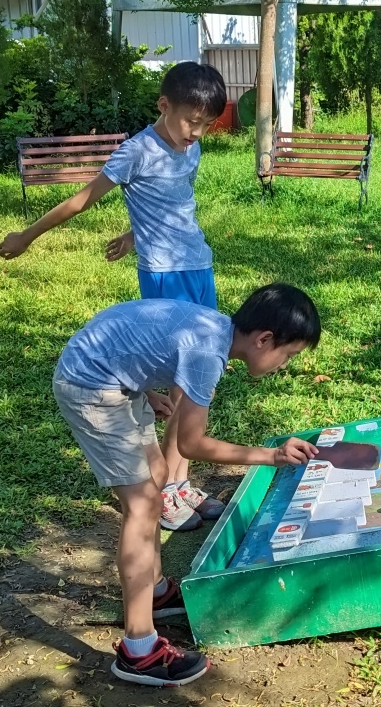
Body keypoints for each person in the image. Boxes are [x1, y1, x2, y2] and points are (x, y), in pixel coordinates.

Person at [0, 62, 230, 531]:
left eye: (205, 125)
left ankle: (179, 482)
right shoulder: (135, 152)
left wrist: (132, 233)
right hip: (165, 276)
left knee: (198, 382)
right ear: (164, 106)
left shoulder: (192, 149)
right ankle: (165, 491)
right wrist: (27, 235)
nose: (196, 133)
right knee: (180, 385)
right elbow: (82, 199)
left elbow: (173, 204)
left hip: (198, 265)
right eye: (191, 121)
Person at [51, 283, 321, 686]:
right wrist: (272, 455)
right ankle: (139, 651)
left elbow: (144, 342)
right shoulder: (207, 354)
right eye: (288, 354)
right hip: (90, 385)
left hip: (118, 380)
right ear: (264, 339)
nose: (285, 364)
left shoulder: (215, 331)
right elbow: (191, 444)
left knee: (158, 479)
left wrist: (142, 387)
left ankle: (156, 592)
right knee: (142, 505)